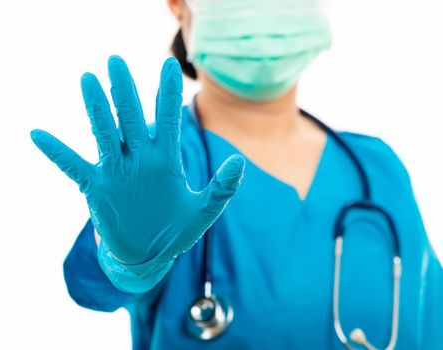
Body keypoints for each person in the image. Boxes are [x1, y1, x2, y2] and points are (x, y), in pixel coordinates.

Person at [30, 0, 443, 348]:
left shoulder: (378, 169)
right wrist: (127, 260)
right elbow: (93, 286)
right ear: (178, 5)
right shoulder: (157, 169)